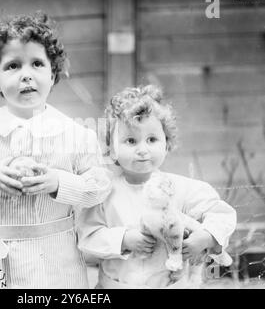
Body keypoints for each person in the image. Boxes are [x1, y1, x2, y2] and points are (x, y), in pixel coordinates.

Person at [0, 12, 111, 289]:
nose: (26, 75)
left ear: (52, 73)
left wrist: (59, 182)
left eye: (36, 64)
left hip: (56, 258)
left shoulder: (76, 134)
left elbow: (99, 185)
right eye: (12, 66)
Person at [77, 85, 237, 288]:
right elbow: (87, 235)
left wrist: (205, 238)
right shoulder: (104, 192)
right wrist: (123, 239)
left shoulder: (181, 188)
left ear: (166, 142)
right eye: (131, 141)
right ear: (112, 149)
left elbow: (222, 214)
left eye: (152, 139)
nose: (142, 150)